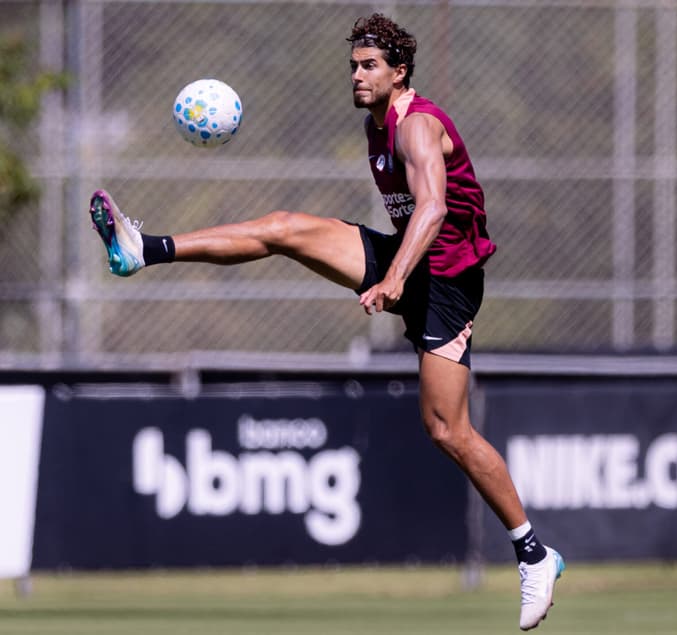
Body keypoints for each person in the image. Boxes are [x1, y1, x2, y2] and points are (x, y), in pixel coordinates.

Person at [89, 13, 563, 631]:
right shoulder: (376, 124)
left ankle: (534, 554)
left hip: (445, 281)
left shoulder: (417, 125)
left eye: (370, 66)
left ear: (400, 71)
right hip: (409, 262)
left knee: (447, 430)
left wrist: (394, 281)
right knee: (284, 227)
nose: (358, 76)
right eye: (353, 66)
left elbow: (435, 207)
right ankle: (143, 249)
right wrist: (394, 272)